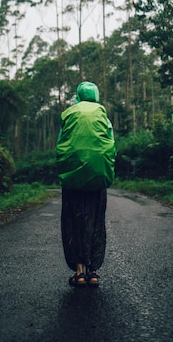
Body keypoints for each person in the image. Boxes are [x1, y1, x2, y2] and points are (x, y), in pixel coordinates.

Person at [56, 81, 116, 288]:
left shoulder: (69, 114)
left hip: (72, 179)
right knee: (96, 221)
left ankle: (79, 272)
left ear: (78, 96)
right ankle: (93, 271)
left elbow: (61, 144)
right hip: (98, 177)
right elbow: (111, 144)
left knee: (73, 221)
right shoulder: (102, 115)